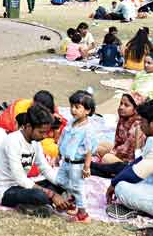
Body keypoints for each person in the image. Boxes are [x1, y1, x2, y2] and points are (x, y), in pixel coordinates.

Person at [0, 105, 70, 216]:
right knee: (40, 195)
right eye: (41, 132)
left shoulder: (35, 142)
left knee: (65, 182)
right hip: (6, 191)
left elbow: (45, 169)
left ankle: (39, 205)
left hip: (24, 187)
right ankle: (44, 204)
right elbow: (20, 178)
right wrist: (52, 195)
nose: (44, 136)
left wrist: (67, 185)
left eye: (46, 132)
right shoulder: (12, 141)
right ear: (28, 127)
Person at [56, 91, 98, 223]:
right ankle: (72, 201)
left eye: (77, 107)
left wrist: (86, 167)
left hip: (77, 164)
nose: (73, 110)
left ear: (87, 110)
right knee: (61, 180)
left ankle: (83, 214)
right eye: (72, 106)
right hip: (66, 161)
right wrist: (58, 154)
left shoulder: (87, 129)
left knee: (78, 187)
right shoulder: (71, 123)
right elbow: (63, 138)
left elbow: (89, 150)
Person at [92, 94, 145, 178]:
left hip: (130, 161)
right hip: (122, 153)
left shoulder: (137, 126)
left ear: (136, 109)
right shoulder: (124, 119)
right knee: (101, 145)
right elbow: (118, 141)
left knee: (106, 158)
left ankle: (110, 170)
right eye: (121, 103)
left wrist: (112, 153)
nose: (121, 107)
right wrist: (113, 151)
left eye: (126, 105)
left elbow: (126, 151)